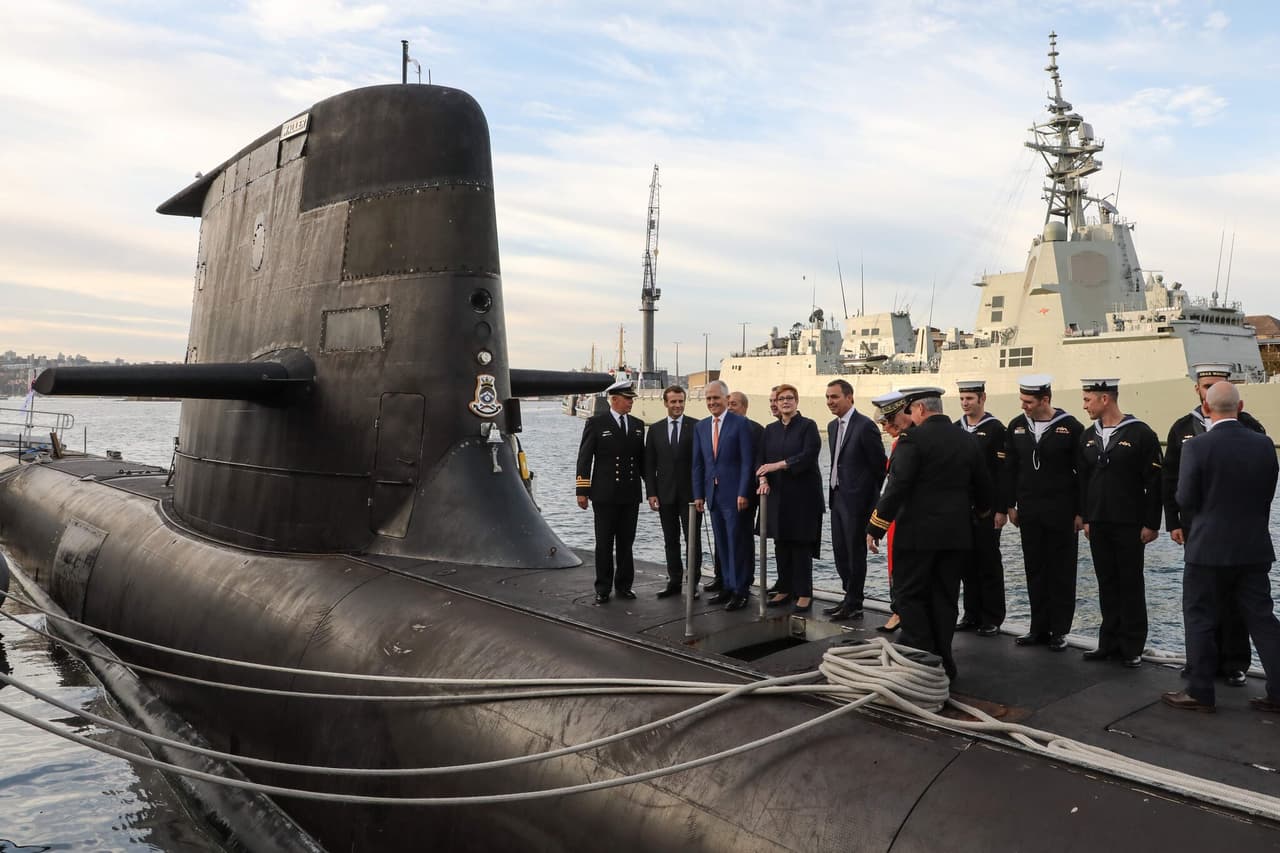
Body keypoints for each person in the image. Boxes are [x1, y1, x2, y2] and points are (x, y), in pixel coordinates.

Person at [1162, 380, 1280, 714]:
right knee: (1262, 620)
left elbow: (1184, 498)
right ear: (1240, 408)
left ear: (1207, 409)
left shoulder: (1196, 447)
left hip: (1207, 548)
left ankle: (1200, 691)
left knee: (1200, 616)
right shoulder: (1264, 445)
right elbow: (1268, 490)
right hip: (1253, 546)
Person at [866, 387, 993, 680]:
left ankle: (919, 660)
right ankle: (944, 659)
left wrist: (875, 526)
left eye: (911, 410)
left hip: (917, 536)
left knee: (911, 596)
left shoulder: (912, 440)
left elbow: (897, 488)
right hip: (956, 536)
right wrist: (980, 515)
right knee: (945, 598)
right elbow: (985, 490)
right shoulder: (968, 440)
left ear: (920, 409)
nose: (909, 415)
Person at [1078, 378, 1163, 668]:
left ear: (1105, 399)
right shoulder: (1088, 436)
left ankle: (1132, 645)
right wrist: (1086, 517)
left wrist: (1152, 523)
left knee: (1130, 584)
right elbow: (1084, 481)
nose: (1084, 405)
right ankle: (1109, 641)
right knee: (1106, 583)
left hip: (1129, 522)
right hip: (1099, 522)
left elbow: (1154, 483)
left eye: (1088, 399)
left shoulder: (1141, 434)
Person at [1004, 375, 1082, 652]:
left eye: (1029, 402)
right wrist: (1010, 504)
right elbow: (1010, 470)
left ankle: (1059, 630)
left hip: (1061, 511)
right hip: (1030, 511)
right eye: (1022, 401)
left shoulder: (1071, 428)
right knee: (1035, 569)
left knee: (1061, 571)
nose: (1024, 406)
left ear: (1045, 400)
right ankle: (1038, 627)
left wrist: (1081, 512)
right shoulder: (1016, 427)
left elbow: (1083, 473)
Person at [576, 379, 646, 604]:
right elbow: (585, 458)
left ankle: (624, 585)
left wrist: (653, 489)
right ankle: (603, 587)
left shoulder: (637, 425)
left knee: (626, 542)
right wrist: (582, 490)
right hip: (604, 494)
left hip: (630, 494)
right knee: (604, 542)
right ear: (614, 400)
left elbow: (642, 462)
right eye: (627, 399)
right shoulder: (597, 423)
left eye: (631, 399)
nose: (630, 403)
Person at [756, 384, 824, 613]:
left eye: (790, 398)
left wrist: (779, 465)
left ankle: (804, 592)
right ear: (776, 402)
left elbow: (808, 455)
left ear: (796, 401)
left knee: (800, 543)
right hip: (777, 495)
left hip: (802, 496)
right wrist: (763, 480)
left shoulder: (808, 426)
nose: (785, 402)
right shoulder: (770, 430)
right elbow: (761, 460)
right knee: (781, 542)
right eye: (781, 398)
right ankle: (784, 587)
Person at [824, 379, 887, 620]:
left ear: (849, 397)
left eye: (835, 397)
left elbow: (879, 467)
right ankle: (847, 596)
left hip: (858, 503)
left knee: (854, 552)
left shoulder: (865, 426)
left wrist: (869, 499)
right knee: (840, 551)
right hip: (837, 497)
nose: (830, 402)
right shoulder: (832, 427)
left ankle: (855, 602)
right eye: (828, 397)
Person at [692, 380, 756, 611]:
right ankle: (728, 585)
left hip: (735, 495)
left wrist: (743, 492)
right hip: (713, 495)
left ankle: (741, 590)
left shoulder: (740, 424)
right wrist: (699, 494)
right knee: (722, 543)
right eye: (708, 399)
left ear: (726, 400)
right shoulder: (701, 427)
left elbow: (748, 462)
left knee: (737, 542)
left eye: (716, 398)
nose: (712, 403)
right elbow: (698, 464)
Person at [954, 380, 1007, 636]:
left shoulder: (996, 430)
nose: (965, 403)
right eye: (962, 398)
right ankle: (971, 613)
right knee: (966, 564)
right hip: (962, 509)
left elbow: (1002, 473)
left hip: (987, 509)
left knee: (988, 563)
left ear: (982, 398)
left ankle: (992, 617)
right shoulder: (956, 428)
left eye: (970, 399)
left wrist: (1001, 509)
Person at [644, 385, 700, 599]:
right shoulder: (656, 430)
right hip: (665, 495)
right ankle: (674, 582)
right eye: (673, 402)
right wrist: (651, 493)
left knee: (692, 541)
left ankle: (693, 584)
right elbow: (649, 465)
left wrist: (700, 494)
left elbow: (701, 462)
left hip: (691, 497)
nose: (677, 405)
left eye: (680, 401)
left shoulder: (696, 426)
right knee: (671, 540)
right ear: (666, 403)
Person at [870, 390, 911, 633]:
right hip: (894, 515)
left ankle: (902, 611)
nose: (885, 428)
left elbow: (896, 487)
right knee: (894, 565)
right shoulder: (898, 443)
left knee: (903, 566)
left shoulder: (908, 444)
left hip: (905, 515)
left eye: (887, 422)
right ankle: (898, 608)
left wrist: (875, 525)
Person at [728, 391, 764, 592]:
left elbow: (756, 462)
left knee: (742, 538)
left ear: (744, 407)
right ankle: (724, 578)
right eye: (728, 404)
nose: (730, 407)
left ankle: (744, 580)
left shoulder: (756, 430)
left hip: (746, 495)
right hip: (724, 494)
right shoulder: (722, 428)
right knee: (723, 539)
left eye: (734, 404)